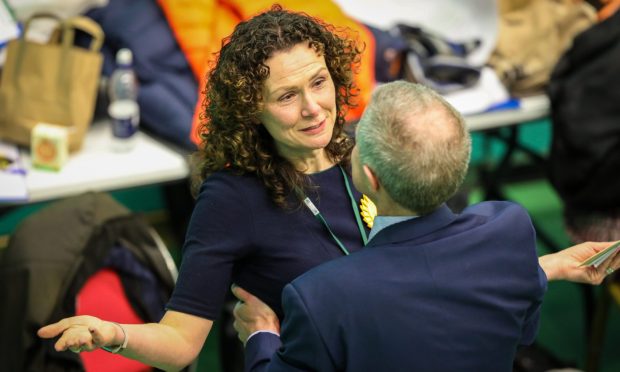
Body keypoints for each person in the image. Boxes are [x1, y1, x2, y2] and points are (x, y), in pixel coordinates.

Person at [37, 6, 618, 372]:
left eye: (319, 82)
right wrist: (111, 334)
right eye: (287, 96)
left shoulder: (370, 147)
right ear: (251, 110)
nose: (315, 108)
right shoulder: (231, 199)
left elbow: (432, 269)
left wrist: (550, 266)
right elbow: (181, 342)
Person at [231, 81, 620, 372]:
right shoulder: (510, 231)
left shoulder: (318, 296)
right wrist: (541, 267)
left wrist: (261, 337)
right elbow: (513, 323)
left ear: (369, 177)